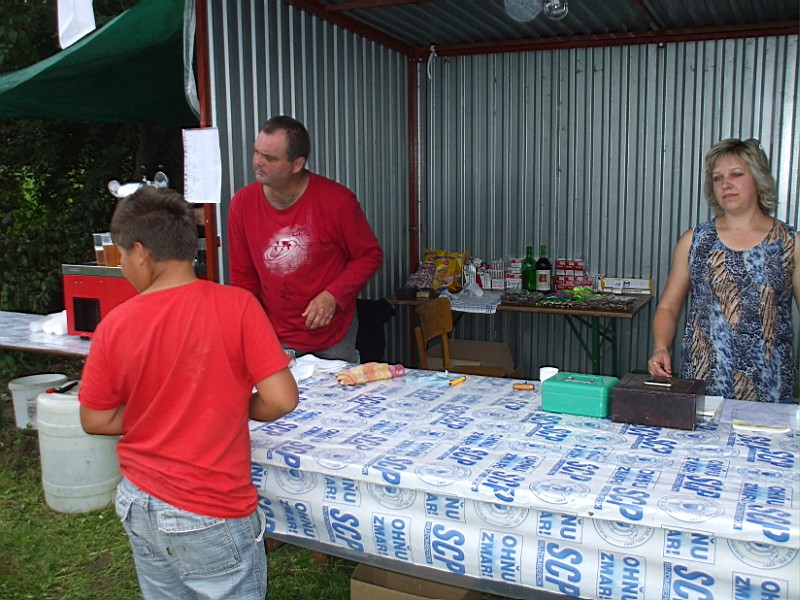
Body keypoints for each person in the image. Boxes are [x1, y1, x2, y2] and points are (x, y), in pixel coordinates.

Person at [78, 187, 299, 599]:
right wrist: (234, 405)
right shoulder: (237, 305)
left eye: (121, 255)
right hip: (211, 507)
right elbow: (282, 398)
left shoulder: (115, 325)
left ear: (140, 253)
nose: (122, 265)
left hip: (140, 500)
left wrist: (156, 413)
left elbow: (95, 418)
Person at [649, 138, 799, 403]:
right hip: (702, 388)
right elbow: (668, 307)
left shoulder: (790, 243)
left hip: (770, 391)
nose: (725, 184)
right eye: (717, 178)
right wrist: (660, 347)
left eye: (736, 174)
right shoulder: (695, 241)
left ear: (759, 179)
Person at [227, 115, 383, 362]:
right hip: (275, 333)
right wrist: (248, 328)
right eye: (256, 152)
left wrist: (333, 295)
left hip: (333, 334)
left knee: (339, 387)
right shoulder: (242, 204)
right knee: (280, 389)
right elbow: (243, 277)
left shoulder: (337, 201)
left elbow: (369, 256)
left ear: (297, 164)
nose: (257, 162)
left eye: (269, 158)